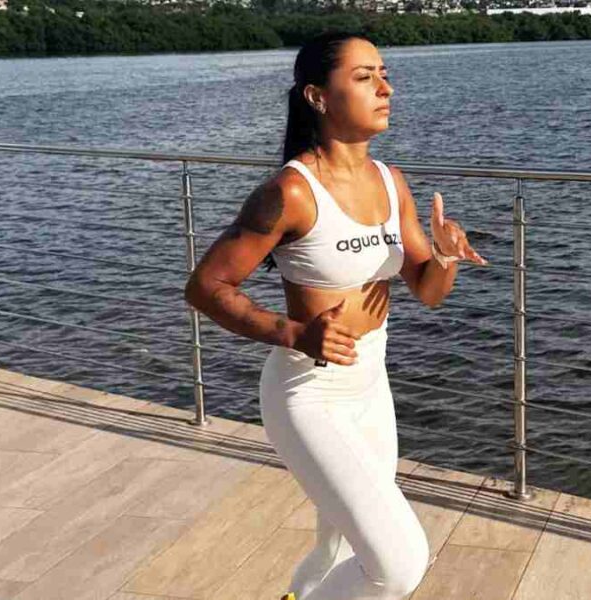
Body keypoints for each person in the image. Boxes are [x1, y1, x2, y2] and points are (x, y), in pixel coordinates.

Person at [184, 31, 487, 600]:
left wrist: (446, 256)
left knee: (341, 549)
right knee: (398, 563)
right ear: (318, 97)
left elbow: (428, 290)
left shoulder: (390, 182)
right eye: (364, 77)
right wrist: (296, 333)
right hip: (308, 393)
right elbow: (206, 286)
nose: (385, 88)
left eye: (384, 74)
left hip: (371, 385)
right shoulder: (291, 192)